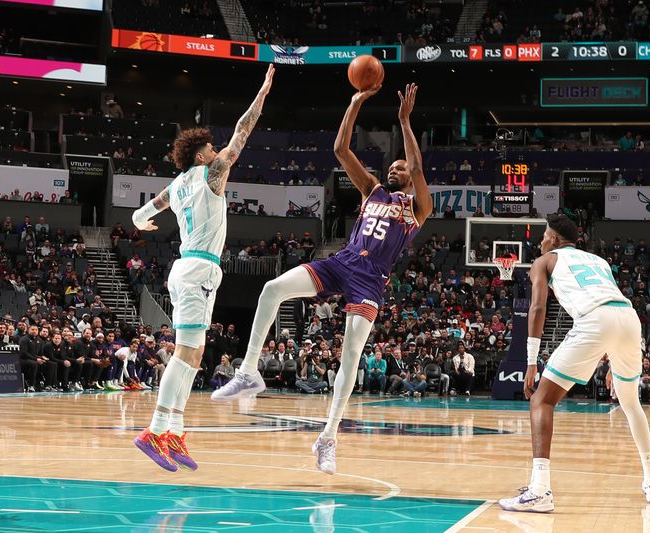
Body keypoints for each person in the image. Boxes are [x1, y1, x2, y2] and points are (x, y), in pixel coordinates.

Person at [211, 83, 433, 478]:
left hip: (371, 279)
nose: (396, 169)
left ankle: (328, 437)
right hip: (343, 261)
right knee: (271, 289)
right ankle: (248, 372)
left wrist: (404, 120)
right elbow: (340, 151)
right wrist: (353, 103)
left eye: (401, 167)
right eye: (392, 167)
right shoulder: (373, 191)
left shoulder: (418, 208)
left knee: (350, 356)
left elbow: (417, 168)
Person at [132, 65, 275, 472]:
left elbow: (145, 212)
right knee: (186, 355)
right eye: (212, 149)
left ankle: (174, 430)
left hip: (193, 270)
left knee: (194, 358)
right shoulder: (211, 173)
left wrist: (143, 223)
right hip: (197, 270)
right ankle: (155, 428)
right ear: (202, 155)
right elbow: (242, 134)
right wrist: (262, 94)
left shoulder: (175, 185)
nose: (218, 153)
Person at [499, 213, 650, 513]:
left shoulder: (544, 261)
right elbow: (609, 303)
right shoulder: (599, 261)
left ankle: (539, 490)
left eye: (544, 235)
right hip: (628, 319)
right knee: (631, 404)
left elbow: (537, 308)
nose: (541, 241)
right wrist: (613, 357)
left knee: (541, 401)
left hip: (594, 320)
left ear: (556, 240)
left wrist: (531, 362)